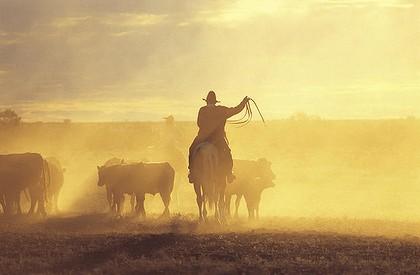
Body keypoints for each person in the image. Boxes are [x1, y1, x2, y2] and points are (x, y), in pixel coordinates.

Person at [188, 91, 249, 183]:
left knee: (192, 149)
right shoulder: (222, 110)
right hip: (218, 139)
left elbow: (199, 123)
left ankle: (192, 173)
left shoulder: (202, 110)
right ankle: (229, 174)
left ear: (207, 101)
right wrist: (244, 102)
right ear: (215, 102)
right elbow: (236, 110)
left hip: (202, 138)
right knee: (228, 154)